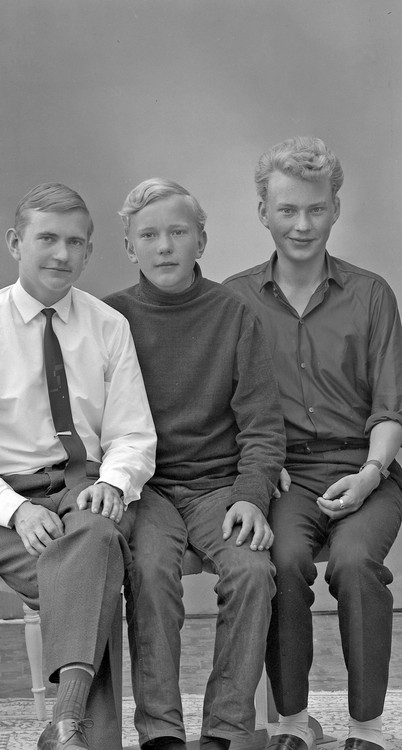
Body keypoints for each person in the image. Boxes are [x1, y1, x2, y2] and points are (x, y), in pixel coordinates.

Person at [0, 183, 157, 750]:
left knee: (94, 539)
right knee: (96, 565)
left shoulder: (109, 326)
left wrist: (114, 481)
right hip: (3, 500)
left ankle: (68, 725)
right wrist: (17, 511)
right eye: (47, 239)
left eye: (75, 242)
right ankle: (73, 727)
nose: (62, 254)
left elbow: (132, 433)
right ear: (16, 243)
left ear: (89, 251)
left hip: (85, 488)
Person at [224, 136, 402, 750]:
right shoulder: (234, 299)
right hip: (284, 475)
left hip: (367, 466)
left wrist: (372, 473)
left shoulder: (372, 294)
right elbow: (226, 405)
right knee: (283, 562)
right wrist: (256, 463)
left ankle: (367, 729)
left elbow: (390, 407)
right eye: (288, 210)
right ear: (263, 212)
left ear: (335, 209)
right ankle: (292, 725)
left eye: (316, 209)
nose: (302, 225)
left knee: (355, 565)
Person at [104, 178, 286, 750]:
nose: (164, 246)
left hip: (219, 487)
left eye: (178, 232)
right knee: (149, 572)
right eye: (148, 236)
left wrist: (251, 495)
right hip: (147, 489)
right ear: (129, 247)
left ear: (201, 241)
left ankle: (225, 731)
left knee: (252, 572)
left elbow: (262, 425)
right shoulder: (109, 318)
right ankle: (161, 732)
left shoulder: (234, 314)